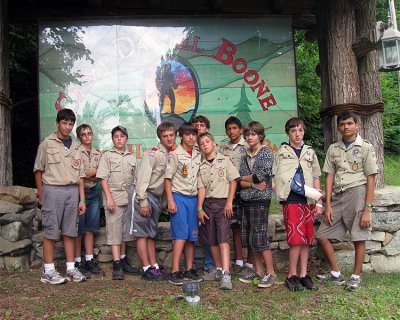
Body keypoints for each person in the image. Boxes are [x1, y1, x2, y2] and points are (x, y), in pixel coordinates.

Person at [316, 111, 378, 291]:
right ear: (338, 127)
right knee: (322, 234)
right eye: (342, 124)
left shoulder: (365, 147)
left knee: (358, 236)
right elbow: (329, 176)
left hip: (357, 193)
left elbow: (371, 178)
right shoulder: (333, 148)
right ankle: (335, 273)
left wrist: (367, 208)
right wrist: (327, 204)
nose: (346, 127)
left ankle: (356, 276)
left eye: (350, 123)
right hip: (338, 195)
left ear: (357, 125)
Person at [34, 108, 87, 284]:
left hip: (72, 191)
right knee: (51, 230)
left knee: (70, 231)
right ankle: (48, 270)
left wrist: (82, 199)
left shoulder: (76, 146)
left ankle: (71, 269)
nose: (68, 126)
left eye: (71, 123)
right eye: (64, 123)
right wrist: (41, 194)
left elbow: (80, 175)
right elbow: (38, 170)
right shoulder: (47, 143)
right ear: (57, 123)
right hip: (53, 190)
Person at [273, 118, 322, 291]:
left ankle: (303, 275)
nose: (297, 134)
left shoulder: (310, 152)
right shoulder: (281, 152)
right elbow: (275, 175)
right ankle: (291, 275)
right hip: (292, 199)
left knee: (307, 239)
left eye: (300, 130)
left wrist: (319, 201)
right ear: (288, 133)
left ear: (304, 132)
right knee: (295, 239)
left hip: (308, 200)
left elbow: (316, 176)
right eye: (293, 131)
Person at [127, 122, 176, 280]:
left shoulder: (172, 154)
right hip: (145, 195)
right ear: (160, 138)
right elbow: (142, 178)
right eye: (165, 136)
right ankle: (146, 268)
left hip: (156, 198)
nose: (169, 138)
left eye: (171, 135)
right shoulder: (153, 154)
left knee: (150, 234)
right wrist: (143, 201)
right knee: (142, 234)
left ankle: (154, 266)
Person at [238, 121, 278, 288]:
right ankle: (259, 271)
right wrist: (249, 180)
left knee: (260, 235)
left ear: (260, 136)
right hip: (246, 199)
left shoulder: (266, 153)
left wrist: (248, 178)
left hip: (260, 200)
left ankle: (271, 273)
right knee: (251, 237)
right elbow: (239, 180)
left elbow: (260, 176)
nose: (249, 137)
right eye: (247, 134)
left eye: (253, 134)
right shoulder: (245, 155)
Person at [197, 133, 239, 290]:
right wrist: (200, 208)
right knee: (211, 240)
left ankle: (227, 274)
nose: (205, 145)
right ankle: (219, 269)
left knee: (222, 239)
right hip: (207, 204)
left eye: (207, 142)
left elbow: (233, 181)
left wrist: (229, 202)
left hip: (222, 204)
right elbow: (201, 188)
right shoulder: (201, 166)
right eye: (201, 144)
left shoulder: (225, 160)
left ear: (214, 143)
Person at [96, 126, 137, 280]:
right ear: (112, 139)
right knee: (114, 232)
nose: (119, 139)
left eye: (122, 136)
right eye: (116, 136)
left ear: (126, 138)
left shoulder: (131, 157)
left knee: (125, 233)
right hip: (113, 198)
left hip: (128, 199)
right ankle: (116, 264)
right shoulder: (107, 156)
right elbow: (103, 178)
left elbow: (135, 179)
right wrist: (109, 198)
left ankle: (123, 259)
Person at [164, 122, 202, 285]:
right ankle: (175, 270)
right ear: (182, 136)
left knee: (191, 236)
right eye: (187, 134)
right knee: (180, 235)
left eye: (194, 134)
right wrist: (171, 200)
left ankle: (189, 269)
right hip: (179, 197)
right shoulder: (175, 154)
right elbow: (167, 179)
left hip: (193, 199)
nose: (191, 137)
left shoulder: (198, 154)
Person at [221, 116, 254, 275]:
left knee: (250, 224)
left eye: (234, 128)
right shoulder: (223, 149)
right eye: (228, 129)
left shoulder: (247, 145)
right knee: (235, 225)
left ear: (240, 130)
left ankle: (251, 263)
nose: (231, 131)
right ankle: (239, 260)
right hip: (231, 190)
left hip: (247, 188)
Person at [74, 124, 105, 277]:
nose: (87, 136)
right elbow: (78, 175)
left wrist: (88, 173)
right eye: (83, 134)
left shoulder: (98, 154)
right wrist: (92, 173)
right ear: (79, 137)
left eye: (89, 133)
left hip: (93, 193)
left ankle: (89, 259)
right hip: (79, 194)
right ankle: (77, 262)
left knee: (90, 229)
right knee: (79, 229)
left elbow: (102, 174)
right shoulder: (76, 152)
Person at [190, 115, 216, 273]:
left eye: (202, 125)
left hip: (209, 196)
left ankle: (210, 263)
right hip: (190, 194)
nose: (199, 127)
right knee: (190, 231)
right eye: (196, 125)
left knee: (208, 231)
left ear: (207, 128)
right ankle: (189, 264)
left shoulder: (212, 148)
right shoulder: (188, 149)